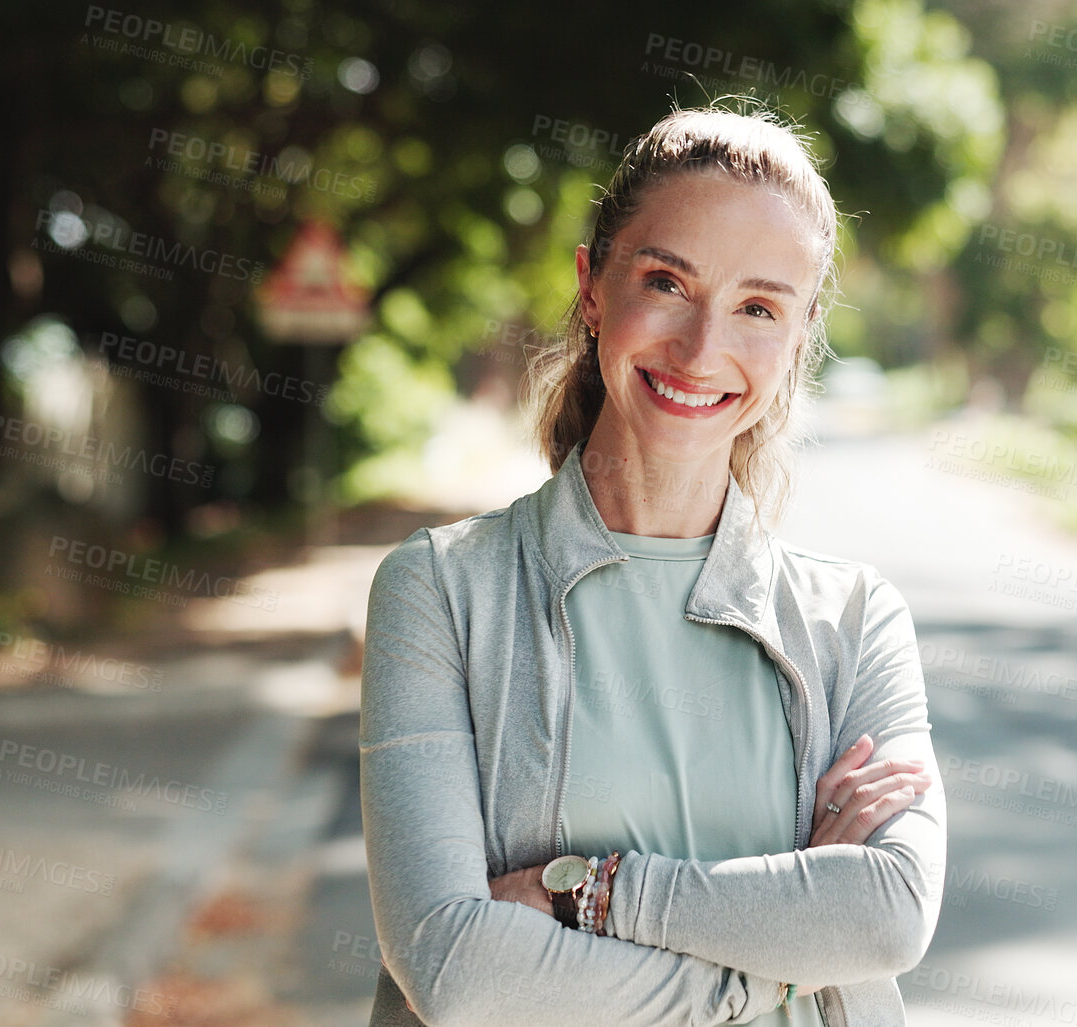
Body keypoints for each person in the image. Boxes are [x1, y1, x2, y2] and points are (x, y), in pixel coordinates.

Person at [359, 102, 945, 1026]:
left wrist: (587, 893)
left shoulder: (855, 618)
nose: (701, 348)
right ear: (592, 288)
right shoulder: (441, 589)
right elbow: (454, 967)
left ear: (799, 335)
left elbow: (885, 916)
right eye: (667, 282)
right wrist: (781, 970)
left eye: (758, 307)